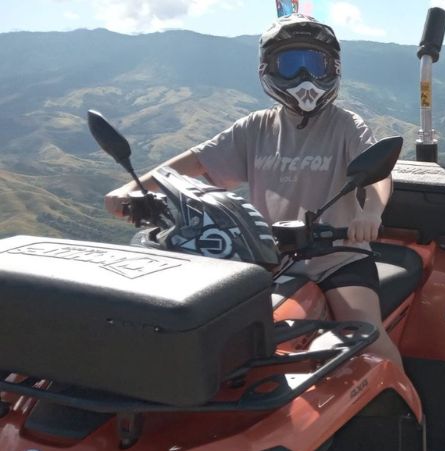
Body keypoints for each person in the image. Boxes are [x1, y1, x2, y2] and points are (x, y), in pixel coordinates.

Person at [104, 13, 402, 365]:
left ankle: (413, 412)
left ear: (332, 68)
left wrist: (370, 213)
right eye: (291, 64)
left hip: (339, 256)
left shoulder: (347, 125)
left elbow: (380, 174)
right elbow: (195, 161)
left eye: (314, 64)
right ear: (269, 69)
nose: (304, 76)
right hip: (267, 259)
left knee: (367, 339)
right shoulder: (256, 127)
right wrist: (133, 189)